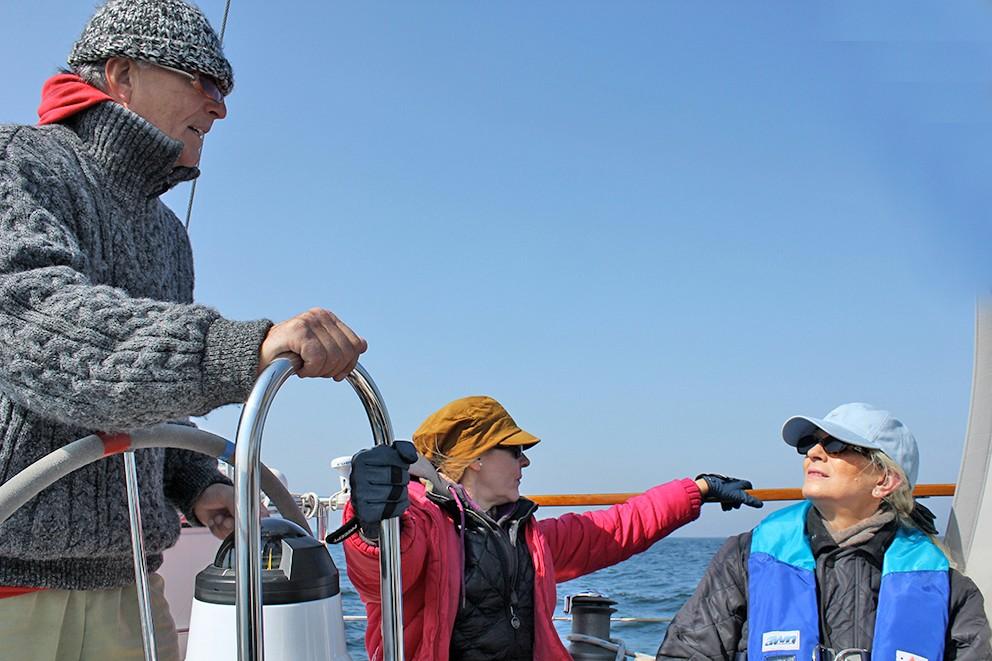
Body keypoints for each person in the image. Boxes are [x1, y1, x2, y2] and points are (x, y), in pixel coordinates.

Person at [0, 1, 366, 658]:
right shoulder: (17, 165)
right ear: (121, 76)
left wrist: (199, 484)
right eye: (202, 80)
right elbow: (45, 335)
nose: (220, 108)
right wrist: (241, 348)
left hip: (129, 590)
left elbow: (141, 405)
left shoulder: (169, 239)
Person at [342, 395, 762, 660]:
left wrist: (698, 490)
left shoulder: (527, 534)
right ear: (476, 458)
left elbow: (616, 528)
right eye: (517, 450)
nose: (526, 462)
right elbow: (379, 570)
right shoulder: (417, 521)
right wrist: (373, 523)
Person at [656, 402, 992, 660]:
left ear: (885, 480)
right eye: (810, 444)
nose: (814, 453)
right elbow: (688, 652)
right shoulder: (745, 558)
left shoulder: (949, 588)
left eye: (835, 446)